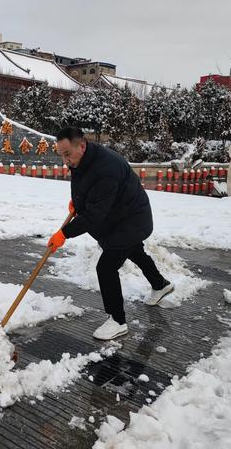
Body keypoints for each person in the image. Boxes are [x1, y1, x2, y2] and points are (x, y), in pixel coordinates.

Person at [47, 127, 173, 341]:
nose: (65, 160)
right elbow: (89, 187)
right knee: (133, 250)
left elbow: (94, 215)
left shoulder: (106, 168)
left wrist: (64, 233)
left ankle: (118, 320)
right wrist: (78, 202)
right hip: (118, 216)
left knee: (106, 267)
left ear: (82, 145)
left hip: (131, 220)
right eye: (61, 155)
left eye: (67, 154)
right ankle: (160, 285)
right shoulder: (83, 159)